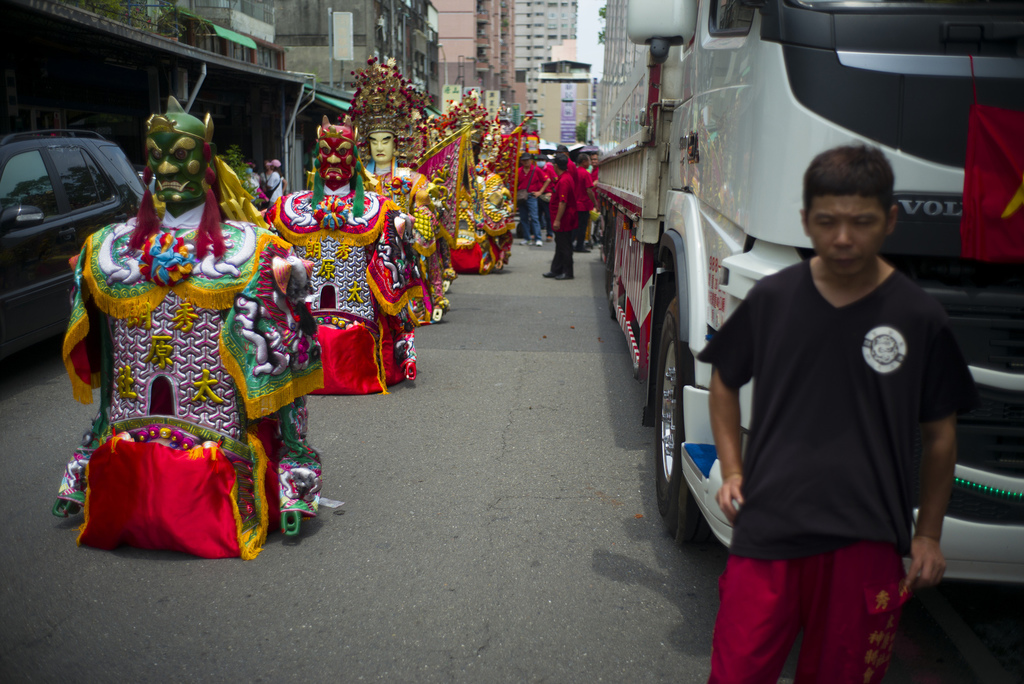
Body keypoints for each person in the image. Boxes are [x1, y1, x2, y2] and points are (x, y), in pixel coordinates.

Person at [699, 145, 979, 683]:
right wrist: (733, 471)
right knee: (736, 673)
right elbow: (724, 380)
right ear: (805, 220)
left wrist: (929, 535)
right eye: (827, 222)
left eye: (862, 222)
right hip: (770, 529)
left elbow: (941, 435)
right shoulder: (774, 299)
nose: (843, 238)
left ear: (890, 220)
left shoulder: (919, 316)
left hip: (867, 538)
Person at [53, 97, 325, 558]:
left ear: (207, 161)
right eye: (156, 156)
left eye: (180, 155)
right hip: (136, 418)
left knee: (277, 344)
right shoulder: (112, 245)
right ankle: (88, 466)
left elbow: (285, 340)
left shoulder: (250, 245)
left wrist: (286, 276)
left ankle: (294, 473)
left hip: (219, 423)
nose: (167, 168)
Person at [268, 116, 420, 393]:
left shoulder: (379, 208)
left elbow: (391, 276)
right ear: (316, 156)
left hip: (357, 319)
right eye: (326, 151)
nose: (335, 160)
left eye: (343, 152)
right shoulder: (287, 207)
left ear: (355, 158)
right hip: (302, 320)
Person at [542, 153, 577, 281]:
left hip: (564, 219)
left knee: (564, 245)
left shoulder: (564, 180)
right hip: (564, 217)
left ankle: (568, 272)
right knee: (560, 244)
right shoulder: (565, 177)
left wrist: (557, 220)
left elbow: (563, 202)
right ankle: (556, 269)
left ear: (556, 165)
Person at [516, 154, 543, 246]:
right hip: (521, 196)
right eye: (524, 160)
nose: (526, 162)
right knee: (523, 218)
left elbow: (547, 180)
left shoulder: (536, 169)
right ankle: (527, 238)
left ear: (530, 160)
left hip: (532, 196)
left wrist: (540, 192)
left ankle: (538, 238)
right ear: (521, 161)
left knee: (534, 217)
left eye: (527, 160)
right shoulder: (519, 171)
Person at [573, 152, 597, 252]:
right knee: (582, 227)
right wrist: (595, 203)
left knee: (575, 226)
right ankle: (579, 246)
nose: (590, 163)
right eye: (589, 161)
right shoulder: (585, 173)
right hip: (583, 205)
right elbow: (589, 190)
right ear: (584, 162)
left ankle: (571, 244)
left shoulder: (574, 172)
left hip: (574, 204)